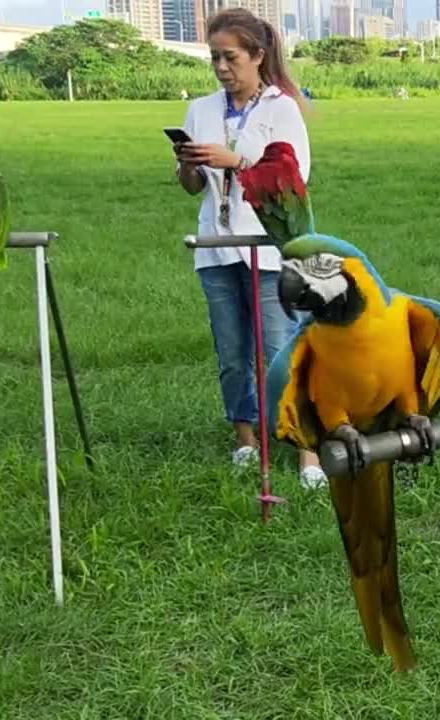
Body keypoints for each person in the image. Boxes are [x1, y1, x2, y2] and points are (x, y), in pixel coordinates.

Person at [173, 7, 327, 489]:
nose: (221, 67)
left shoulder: (281, 108)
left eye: (230, 57)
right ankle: (245, 439)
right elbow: (192, 187)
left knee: (282, 350)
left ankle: (308, 452)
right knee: (233, 354)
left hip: (268, 250)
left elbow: (294, 178)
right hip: (216, 248)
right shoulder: (201, 109)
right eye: (214, 58)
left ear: (258, 56)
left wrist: (236, 160)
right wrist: (189, 164)